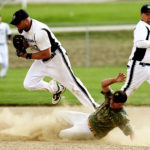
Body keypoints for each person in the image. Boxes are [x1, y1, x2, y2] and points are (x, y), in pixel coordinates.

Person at [10, 9, 99, 111]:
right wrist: (22, 48)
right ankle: (57, 89)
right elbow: (29, 42)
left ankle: (95, 109)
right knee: (29, 83)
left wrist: (27, 56)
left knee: (74, 86)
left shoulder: (39, 31)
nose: (16, 25)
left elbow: (46, 53)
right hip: (41, 60)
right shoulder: (22, 29)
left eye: (18, 23)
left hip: (56, 59)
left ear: (26, 20)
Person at [57, 73, 134, 140]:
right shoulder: (110, 97)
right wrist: (115, 80)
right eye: (113, 99)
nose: (112, 102)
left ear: (122, 104)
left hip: (89, 132)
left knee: (62, 134)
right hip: (86, 118)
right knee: (59, 115)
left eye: (115, 102)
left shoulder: (121, 117)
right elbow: (103, 84)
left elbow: (131, 132)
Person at [121, 4, 150, 97]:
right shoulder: (142, 26)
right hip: (139, 66)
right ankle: (108, 109)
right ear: (142, 14)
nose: (149, 16)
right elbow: (140, 44)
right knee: (126, 91)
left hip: (148, 66)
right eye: (147, 14)